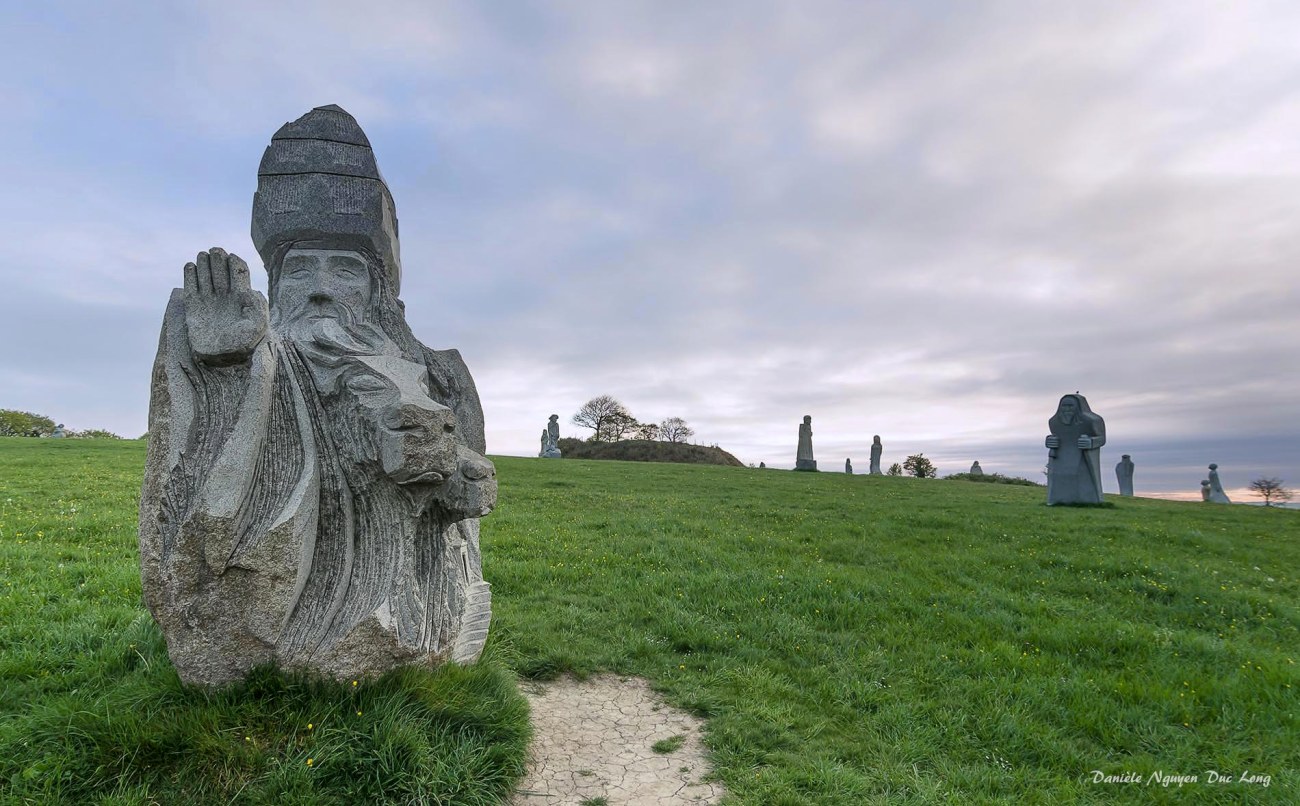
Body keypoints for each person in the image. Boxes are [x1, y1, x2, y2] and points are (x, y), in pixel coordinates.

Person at [139, 106, 496, 685]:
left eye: (345, 271)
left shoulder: (441, 375)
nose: (323, 290)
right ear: (275, 287)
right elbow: (192, 501)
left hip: (407, 613)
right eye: (302, 270)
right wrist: (226, 370)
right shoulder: (266, 360)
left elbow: (465, 501)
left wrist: (457, 477)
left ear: (378, 293)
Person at [1045, 393, 1106, 505]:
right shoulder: (1053, 422)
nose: (1067, 409)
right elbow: (1055, 436)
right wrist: (1050, 441)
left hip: (1082, 458)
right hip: (1061, 458)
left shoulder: (1093, 421)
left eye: (1071, 406)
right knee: (1060, 478)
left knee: (1083, 480)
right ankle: (1058, 500)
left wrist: (1091, 442)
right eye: (1064, 406)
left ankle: (1087, 501)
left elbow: (1102, 439)